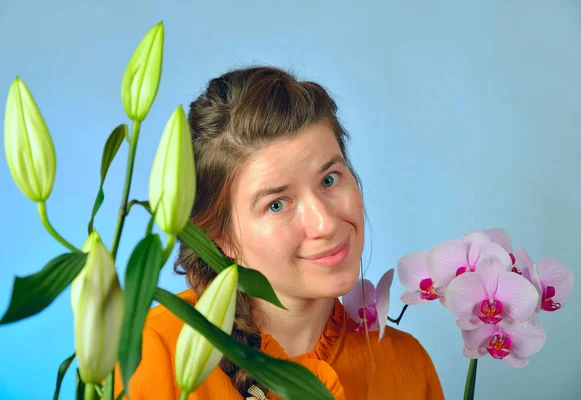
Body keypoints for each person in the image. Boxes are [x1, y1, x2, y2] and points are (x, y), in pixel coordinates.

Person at [113, 66, 444, 399]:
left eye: (329, 180)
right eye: (276, 204)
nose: (325, 223)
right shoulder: (151, 351)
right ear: (219, 236)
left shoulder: (408, 366)